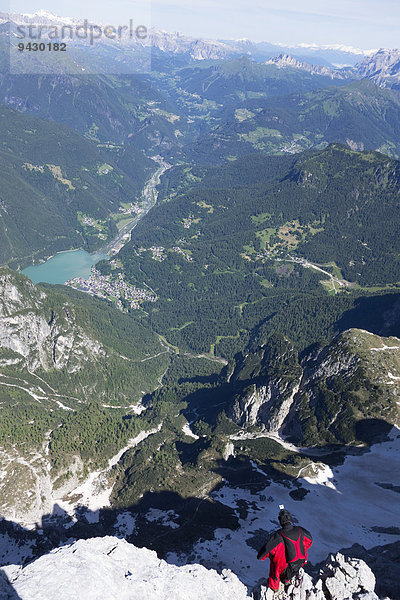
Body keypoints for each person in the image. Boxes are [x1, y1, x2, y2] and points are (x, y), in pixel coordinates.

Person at [257, 508, 313, 593]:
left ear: (280, 521)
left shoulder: (278, 536)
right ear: (290, 518)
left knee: (276, 558)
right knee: (283, 553)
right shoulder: (300, 530)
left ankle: (274, 587)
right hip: (300, 564)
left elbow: (263, 553)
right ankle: (287, 581)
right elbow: (310, 540)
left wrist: (264, 556)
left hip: (285, 571)